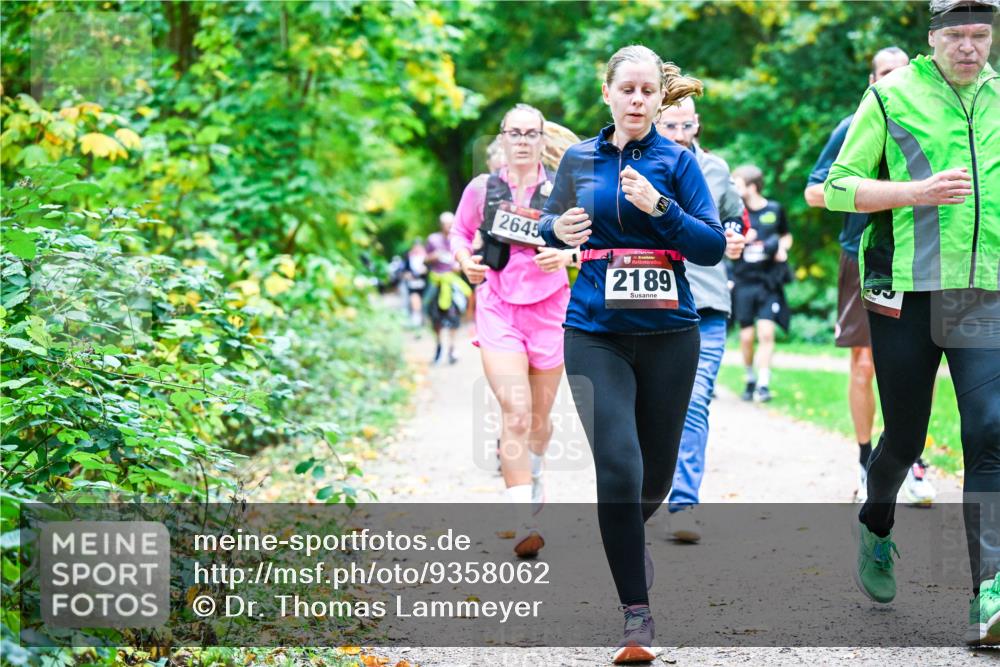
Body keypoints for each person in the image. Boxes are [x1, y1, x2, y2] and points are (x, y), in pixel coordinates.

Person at [539, 46, 726, 663]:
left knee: (656, 478)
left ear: (659, 97)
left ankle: (628, 535)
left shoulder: (677, 161)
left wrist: (660, 207)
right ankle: (636, 616)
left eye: (649, 91)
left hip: (671, 335)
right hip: (595, 332)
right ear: (609, 94)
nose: (638, 100)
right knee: (619, 469)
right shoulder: (578, 158)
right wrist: (556, 232)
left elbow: (710, 247)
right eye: (628, 90)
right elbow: (547, 223)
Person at [824, 0, 999, 645]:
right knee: (905, 436)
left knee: (991, 429)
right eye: (957, 35)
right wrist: (914, 193)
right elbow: (838, 186)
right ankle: (876, 521)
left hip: (984, 291)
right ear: (933, 37)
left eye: (981, 36)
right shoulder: (893, 96)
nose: (970, 48)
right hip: (907, 289)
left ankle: (990, 593)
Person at [804, 46, 939, 508]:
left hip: (921, 256)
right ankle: (866, 461)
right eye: (884, 74)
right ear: (870, 80)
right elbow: (813, 192)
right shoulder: (853, 124)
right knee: (864, 364)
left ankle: (912, 462)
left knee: (919, 368)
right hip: (863, 256)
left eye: (900, 74)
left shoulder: (932, 126)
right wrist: (874, 195)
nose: (892, 81)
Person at [451, 104, 577, 558]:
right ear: (502, 139)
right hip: (498, 304)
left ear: (543, 140)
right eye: (514, 133)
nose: (522, 141)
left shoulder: (563, 189)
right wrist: (466, 262)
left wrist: (566, 256)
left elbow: (593, 241)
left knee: (539, 423)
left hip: (550, 310)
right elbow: (460, 235)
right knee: (517, 412)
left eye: (531, 134)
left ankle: (534, 471)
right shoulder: (483, 189)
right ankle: (522, 520)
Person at [654, 96, 746, 543]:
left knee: (694, 401)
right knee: (651, 406)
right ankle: (649, 491)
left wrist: (732, 236)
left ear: (696, 126)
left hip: (706, 301)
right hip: (651, 301)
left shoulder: (716, 169)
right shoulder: (636, 167)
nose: (676, 134)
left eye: (684, 125)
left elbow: (732, 218)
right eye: (667, 125)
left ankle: (684, 502)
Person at [731, 164, 793, 403]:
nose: (733, 189)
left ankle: (764, 384)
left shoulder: (775, 210)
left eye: (737, 184)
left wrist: (783, 249)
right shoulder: (735, 212)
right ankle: (750, 378)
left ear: (752, 186)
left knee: (766, 333)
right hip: (743, 282)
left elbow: (786, 235)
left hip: (769, 283)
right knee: (747, 337)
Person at [425, 212, 468, 364]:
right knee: (433, 315)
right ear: (441, 224)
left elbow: (465, 259)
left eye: (451, 223)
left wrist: (460, 265)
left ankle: (452, 348)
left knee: (455, 313)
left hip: (452, 282)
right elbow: (424, 260)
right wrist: (433, 256)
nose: (448, 226)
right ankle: (438, 346)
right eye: (446, 223)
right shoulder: (432, 239)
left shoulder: (458, 239)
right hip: (436, 282)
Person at [403, 238, 428, 328]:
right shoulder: (409, 257)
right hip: (413, 284)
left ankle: (424, 318)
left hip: (424, 284)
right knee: (415, 300)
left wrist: (425, 271)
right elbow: (404, 271)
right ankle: (416, 321)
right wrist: (408, 275)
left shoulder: (427, 257)